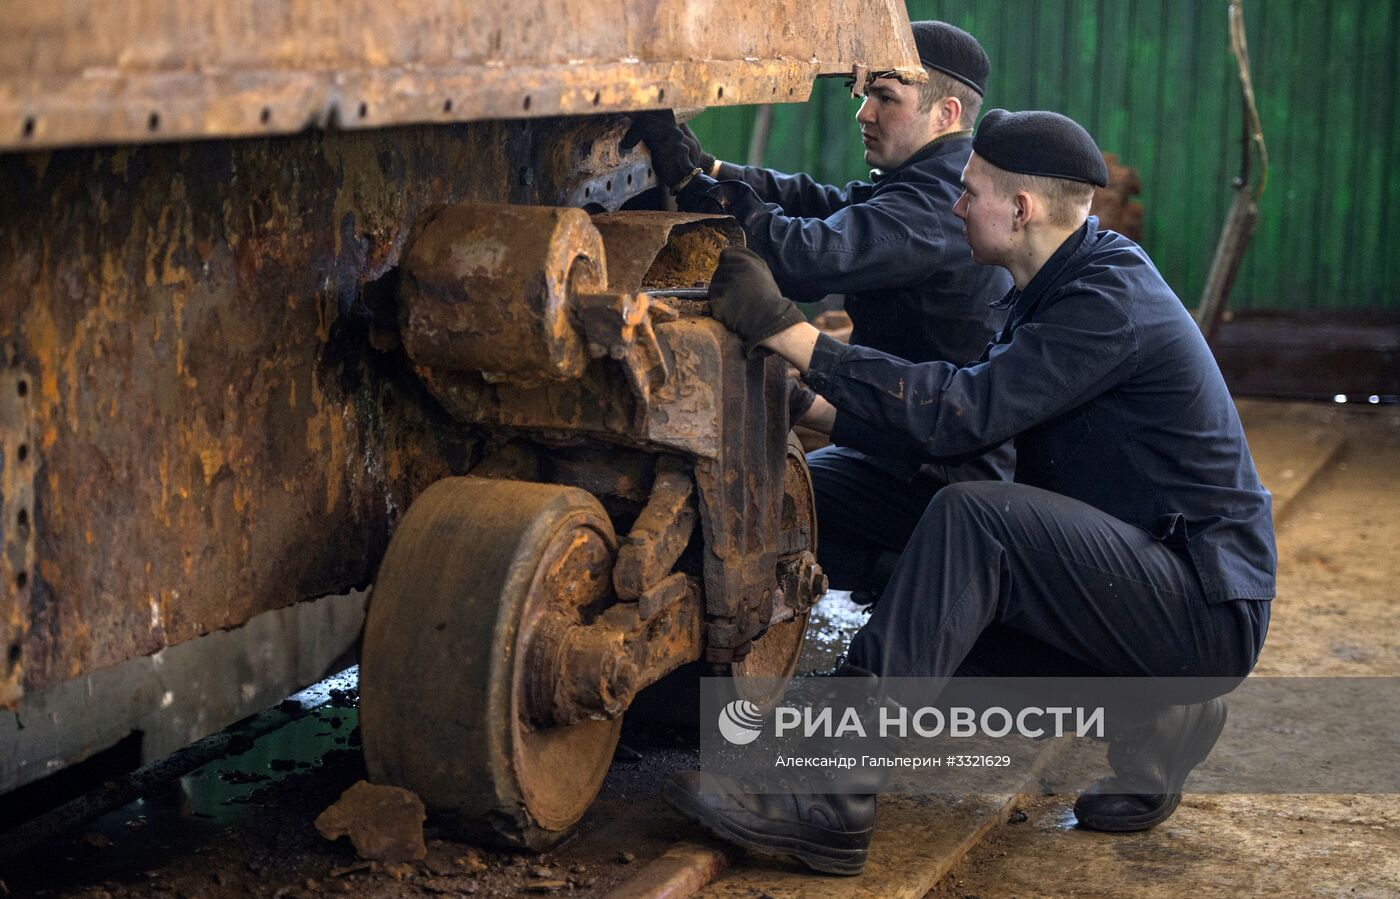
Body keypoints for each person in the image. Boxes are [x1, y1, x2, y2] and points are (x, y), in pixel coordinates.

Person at [664, 109, 1276, 875]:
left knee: (970, 523)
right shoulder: (1047, 283)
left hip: (1200, 605)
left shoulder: (1106, 301)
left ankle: (832, 795)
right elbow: (974, 435)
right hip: (1129, 579)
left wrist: (793, 335)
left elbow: (963, 410)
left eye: (970, 192)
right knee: (843, 499)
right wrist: (806, 403)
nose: (955, 206)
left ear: (1018, 209)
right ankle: (1156, 709)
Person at [622, 22, 1015, 602]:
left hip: (939, 472)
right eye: (866, 96)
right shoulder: (931, 177)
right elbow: (823, 203)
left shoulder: (938, 203)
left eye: (885, 98)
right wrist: (715, 170)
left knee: (748, 507)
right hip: (909, 441)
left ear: (945, 112)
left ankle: (910, 576)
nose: (864, 112)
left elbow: (811, 256)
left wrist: (691, 184)